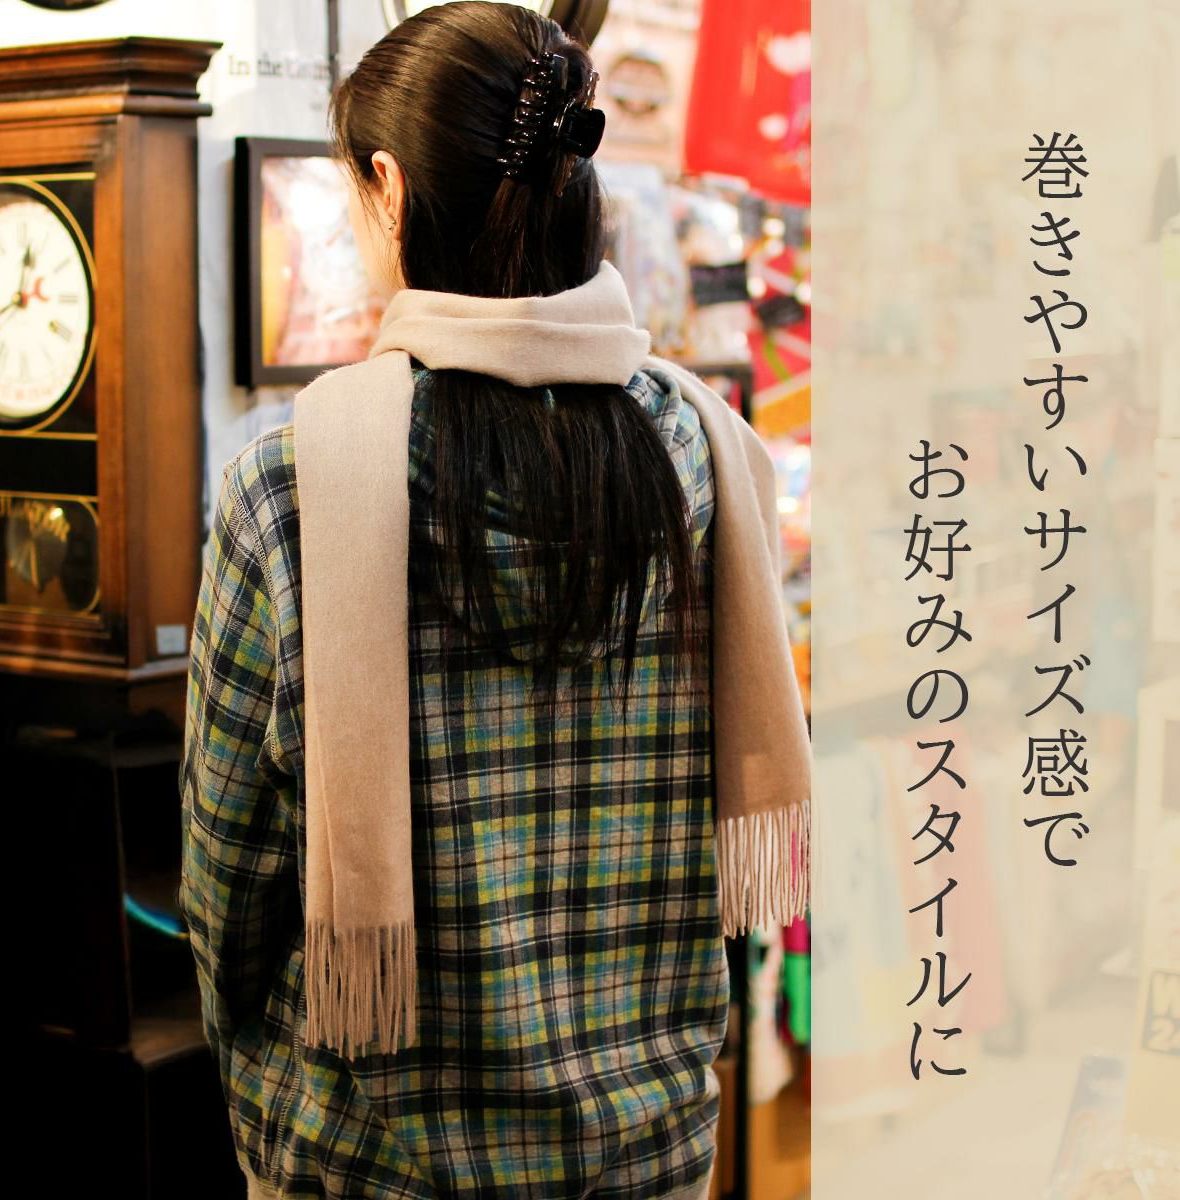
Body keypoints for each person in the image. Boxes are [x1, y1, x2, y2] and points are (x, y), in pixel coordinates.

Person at [180, 4, 809, 1197]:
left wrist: (262, 1101)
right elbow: (730, 871)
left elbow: (230, 892)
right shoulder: (710, 456)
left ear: (389, 188)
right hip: (648, 1158)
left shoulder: (290, 486)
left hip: (370, 1163)